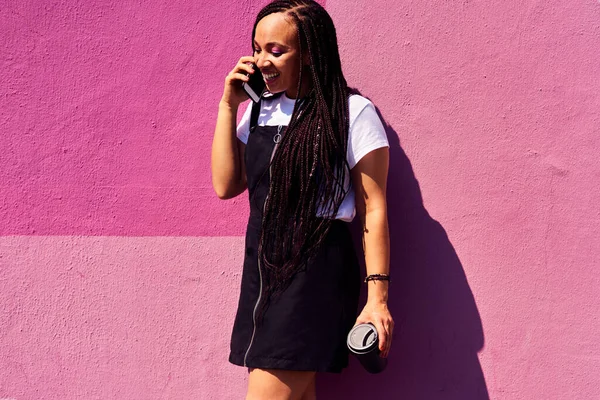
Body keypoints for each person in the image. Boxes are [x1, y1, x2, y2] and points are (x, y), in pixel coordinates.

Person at [211, 1, 393, 399]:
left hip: (313, 273)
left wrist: (376, 299)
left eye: (276, 50)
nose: (261, 61)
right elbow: (226, 185)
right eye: (257, 49)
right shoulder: (260, 110)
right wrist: (228, 105)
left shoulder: (351, 113)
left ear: (310, 52)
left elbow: (373, 209)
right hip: (260, 271)